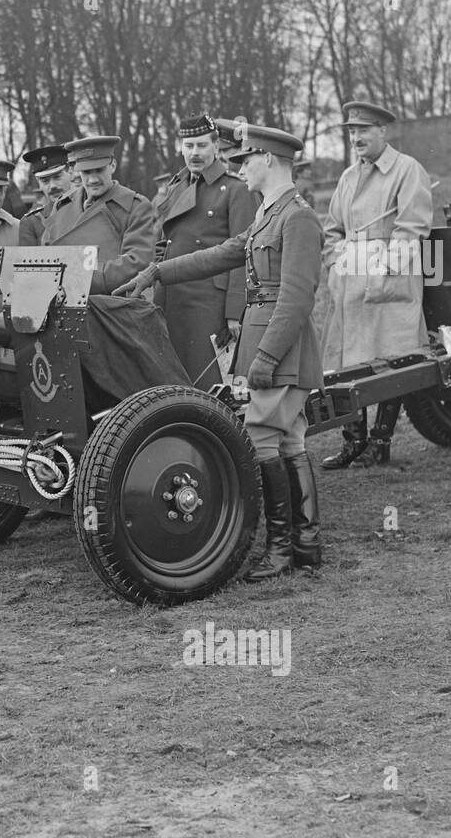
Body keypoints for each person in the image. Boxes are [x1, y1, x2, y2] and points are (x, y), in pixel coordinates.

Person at [116, 124, 323, 581]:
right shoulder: (271, 213)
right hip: (269, 342)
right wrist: (158, 272)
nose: (239, 167)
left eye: (246, 159)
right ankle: (303, 546)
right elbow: (225, 252)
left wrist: (265, 358)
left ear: (269, 160)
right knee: (289, 440)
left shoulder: (298, 217)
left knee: (262, 437)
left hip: (281, 347)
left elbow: (296, 297)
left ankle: (282, 550)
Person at [319, 101, 433, 469]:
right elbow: (332, 229)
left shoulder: (407, 170)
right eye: (352, 132)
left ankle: (380, 442)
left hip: (389, 283)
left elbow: (412, 228)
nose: (357, 138)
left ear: (383, 131)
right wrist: (337, 263)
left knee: (389, 361)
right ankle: (354, 441)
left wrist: (383, 271)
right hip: (349, 283)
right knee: (347, 364)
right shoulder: (348, 177)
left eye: (364, 130)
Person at [151, 114, 256, 391]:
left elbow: (243, 251)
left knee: (210, 381)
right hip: (172, 297)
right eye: (189, 146)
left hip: (210, 302)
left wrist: (235, 310)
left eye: (201, 146)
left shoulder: (235, 190)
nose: (194, 153)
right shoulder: (175, 189)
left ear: (216, 148)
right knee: (173, 377)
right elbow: (163, 241)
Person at [40, 135, 156, 294]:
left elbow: (136, 262)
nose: (93, 179)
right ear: (76, 172)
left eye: (99, 170)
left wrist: (77, 277)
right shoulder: (62, 206)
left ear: (113, 165)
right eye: (86, 172)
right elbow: (44, 257)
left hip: (112, 307)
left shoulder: (135, 206)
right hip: (63, 304)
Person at [18, 144, 75, 247]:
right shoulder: (32, 222)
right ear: (38, 182)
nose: (52, 186)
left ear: (70, 172)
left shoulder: (87, 210)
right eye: (45, 181)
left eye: (57, 177)